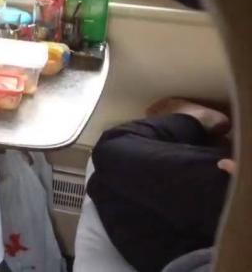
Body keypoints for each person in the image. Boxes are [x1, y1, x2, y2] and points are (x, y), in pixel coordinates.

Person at [87, 98, 236, 272]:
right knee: (111, 153)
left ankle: (196, 130)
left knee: (102, 184)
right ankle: (196, 130)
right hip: (235, 225)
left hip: (188, 261)